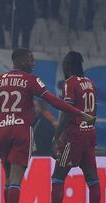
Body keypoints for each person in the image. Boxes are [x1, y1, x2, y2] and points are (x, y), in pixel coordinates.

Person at [0, 48, 95, 203]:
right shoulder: (30, 79)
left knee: (8, 178)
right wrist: (79, 113)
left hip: (4, 131)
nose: (34, 63)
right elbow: (53, 101)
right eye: (31, 59)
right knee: (16, 180)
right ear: (21, 61)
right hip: (22, 132)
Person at [51, 51, 100, 203]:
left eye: (65, 65)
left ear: (69, 65)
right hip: (89, 134)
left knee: (57, 177)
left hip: (74, 137)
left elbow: (67, 112)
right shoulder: (90, 83)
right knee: (93, 179)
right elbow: (94, 111)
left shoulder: (70, 83)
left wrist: (57, 136)